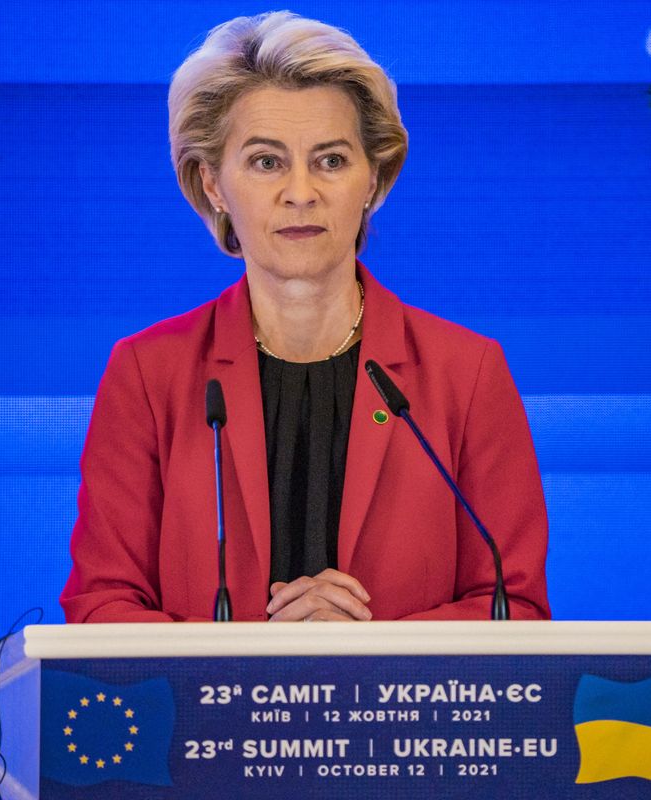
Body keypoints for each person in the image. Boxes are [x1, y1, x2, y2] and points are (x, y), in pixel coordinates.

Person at [60, 11, 549, 623]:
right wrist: (256, 662)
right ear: (213, 184)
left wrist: (370, 652)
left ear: (374, 176)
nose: (300, 192)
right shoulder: (148, 374)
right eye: (266, 162)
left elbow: (514, 606)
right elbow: (100, 607)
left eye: (332, 160)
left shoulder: (466, 373)